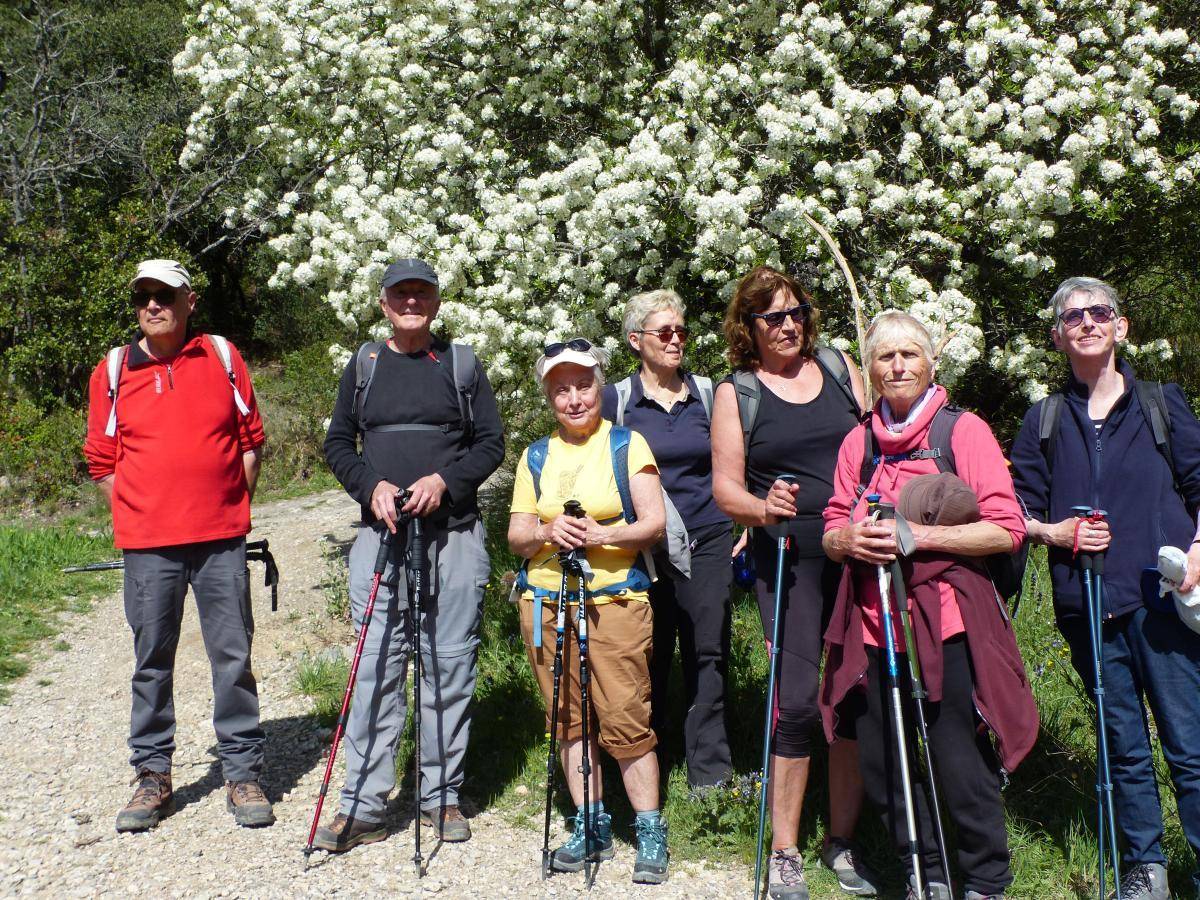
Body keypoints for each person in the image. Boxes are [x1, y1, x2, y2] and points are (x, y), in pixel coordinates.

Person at [821, 310, 1037, 900]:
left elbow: (1006, 529)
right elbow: (833, 524)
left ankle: (986, 879)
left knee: (956, 758)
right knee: (882, 761)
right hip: (873, 625)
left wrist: (919, 537)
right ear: (870, 369)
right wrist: (846, 540)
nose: (898, 366)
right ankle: (927, 871)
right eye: (885, 357)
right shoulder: (858, 441)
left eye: (909, 354)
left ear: (930, 362)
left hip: (946, 622)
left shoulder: (961, 432)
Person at [1010, 277, 1200, 900]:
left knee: (1190, 746)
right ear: (1058, 335)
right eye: (1073, 316)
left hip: (1162, 603)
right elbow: (1015, 513)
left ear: (1121, 327)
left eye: (1100, 312)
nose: (1087, 322)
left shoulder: (1159, 403)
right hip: (1087, 606)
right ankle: (1148, 871)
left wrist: (1198, 553)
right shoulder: (1044, 419)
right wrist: (1056, 531)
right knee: (1122, 746)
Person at [316, 258, 504, 852]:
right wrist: (370, 487)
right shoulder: (365, 365)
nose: (412, 302)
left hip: (454, 537)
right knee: (375, 667)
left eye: (422, 293)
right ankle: (363, 806)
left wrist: (445, 482)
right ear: (384, 303)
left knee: (448, 664)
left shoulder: (460, 365)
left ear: (437, 302)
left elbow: (491, 443)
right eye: (402, 293)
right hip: (381, 537)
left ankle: (440, 797)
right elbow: (338, 443)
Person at [84, 258, 273, 832]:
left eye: (164, 295)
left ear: (189, 300)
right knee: (151, 662)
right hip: (148, 547)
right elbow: (101, 461)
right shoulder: (113, 370)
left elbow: (251, 441)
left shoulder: (220, 356)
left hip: (220, 541)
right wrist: (142, 510)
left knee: (232, 658)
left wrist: (229, 505)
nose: (152, 306)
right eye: (143, 296)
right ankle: (151, 775)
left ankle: (242, 771)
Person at [710, 265, 876, 899]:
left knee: (853, 693)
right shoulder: (739, 391)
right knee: (799, 699)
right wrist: (761, 508)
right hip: (790, 557)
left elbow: (874, 444)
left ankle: (842, 842)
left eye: (796, 312)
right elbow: (726, 486)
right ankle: (785, 849)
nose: (787, 325)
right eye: (771, 317)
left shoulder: (837, 367)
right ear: (748, 328)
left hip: (855, 547)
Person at [508, 338, 671, 884]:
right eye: (561, 390)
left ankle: (649, 828)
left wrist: (603, 534)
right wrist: (547, 530)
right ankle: (590, 822)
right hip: (547, 602)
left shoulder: (627, 445)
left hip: (615, 601)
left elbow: (653, 523)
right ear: (549, 398)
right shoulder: (536, 456)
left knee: (626, 714)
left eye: (582, 386)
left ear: (599, 388)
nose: (574, 399)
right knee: (568, 719)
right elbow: (517, 534)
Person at [600, 289, 734, 790]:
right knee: (644, 653)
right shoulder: (616, 399)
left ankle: (710, 773)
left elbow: (731, 459)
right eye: (665, 332)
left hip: (708, 536)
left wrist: (741, 522)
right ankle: (643, 763)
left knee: (708, 650)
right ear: (636, 340)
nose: (677, 339)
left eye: (681, 331)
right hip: (641, 545)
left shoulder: (705, 391)